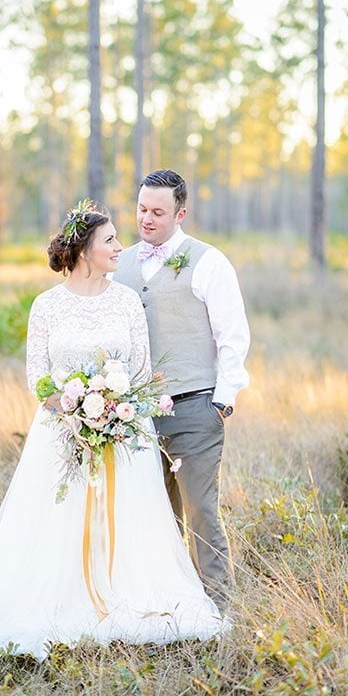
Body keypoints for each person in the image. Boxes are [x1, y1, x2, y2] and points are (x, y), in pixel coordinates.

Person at [0, 202, 227, 661]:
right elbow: (36, 376)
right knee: (58, 520)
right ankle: (63, 594)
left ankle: (123, 593)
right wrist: (73, 409)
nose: (121, 246)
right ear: (83, 250)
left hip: (124, 434)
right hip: (61, 434)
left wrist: (115, 411)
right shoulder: (47, 305)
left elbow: (141, 369)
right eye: (110, 240)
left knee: (129, 518)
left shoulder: (125, 301)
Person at [114, 170, 250, 610]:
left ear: (181, 212)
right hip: (135, 414)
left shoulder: (209, 261)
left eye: (158, 211)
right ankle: (164, 607)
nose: (147, 219)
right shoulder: (123, 263)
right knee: (151, 515)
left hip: (196, 407)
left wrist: (222, 403)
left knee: (201, 513)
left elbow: (233, 336)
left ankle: (218, 609)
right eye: (142, 209)